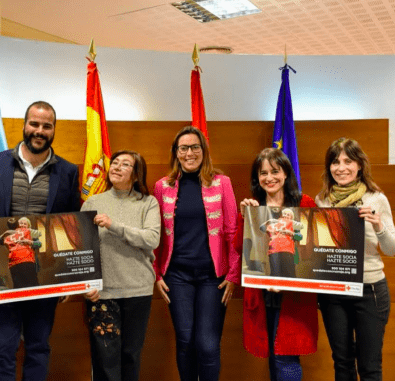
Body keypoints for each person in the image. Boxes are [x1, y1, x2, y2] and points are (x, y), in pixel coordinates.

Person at [0, 101, 81, 381]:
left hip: (45, 275)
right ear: (24, 124)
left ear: (54, 129)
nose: (39, 131)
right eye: (35, 124)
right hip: (1, 272)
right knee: (2, 351)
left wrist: (68, 276)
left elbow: (71, 222)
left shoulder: (67, 171)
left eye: (47, 126)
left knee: (38, 347)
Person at [153, 126, 239, 381]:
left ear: (203, 151)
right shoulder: (162, 186)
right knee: (186, 340)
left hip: (213, 277)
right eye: (184, 148)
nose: (189, 153)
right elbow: (156, 234)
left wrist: (233, 274)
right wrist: (157, 274)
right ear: (176, 153)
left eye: (195, 147)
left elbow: (232, 230)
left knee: (208, 344)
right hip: (176, 277)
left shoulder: (222, 183)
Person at [315, 137, 395, 381]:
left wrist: (379, 225)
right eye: (335, 162)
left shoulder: (376, 199)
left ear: (360, 165)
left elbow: (393, 249)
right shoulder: (322, 200)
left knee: (369, 367)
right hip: (334, 293)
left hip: (369, 291)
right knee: (342, 364)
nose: (341, 167)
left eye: (348, 161)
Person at [238, 148, 318, 381]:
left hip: (294, 296)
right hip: (263, 295)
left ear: (285, 174)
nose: (269, 178)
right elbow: (238, 248)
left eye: (275, 171)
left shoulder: (304, 203)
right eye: (263, 173)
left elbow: (314, 247)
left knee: (286, 356)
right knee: (274, 357)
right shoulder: (253, 206)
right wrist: (245, 218)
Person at [81, 150, 161, 381]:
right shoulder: (93, 202)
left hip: (138, 291)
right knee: (105, 357)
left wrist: (113, 225)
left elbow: (152, 239)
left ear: (136, 175)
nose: (116, 167)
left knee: (130, 355)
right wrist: (86, 284)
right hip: (102, 294)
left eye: (125, 164)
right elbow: (83, 248)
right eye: (114, 163)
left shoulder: (148, 202)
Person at [0, 217, 42, 289]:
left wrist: (29, 242)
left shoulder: (30, 232)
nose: (22, 225)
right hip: (15, 264)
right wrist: (5, 233)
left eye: (25, 224)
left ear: (28, 226)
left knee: (32, 285)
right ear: (17, 224)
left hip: (28, 262)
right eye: (21, 223)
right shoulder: (10, 235)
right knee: (19, 286)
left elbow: (39, 244)